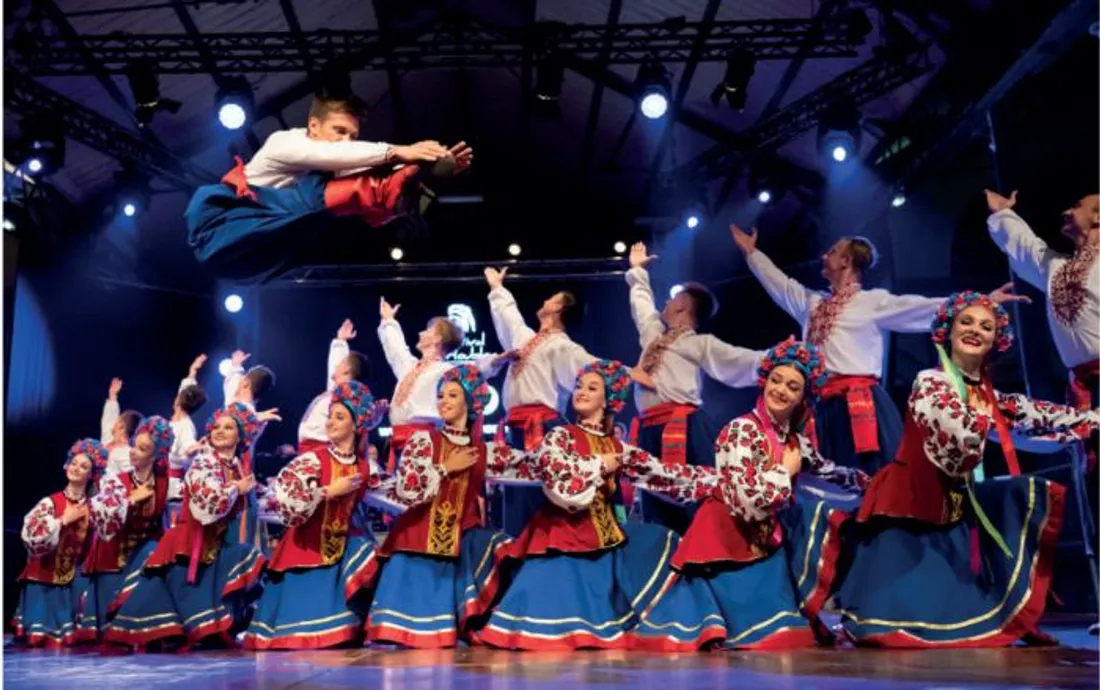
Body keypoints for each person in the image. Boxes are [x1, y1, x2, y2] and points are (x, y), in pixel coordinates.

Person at [834, 291, 1099, 647]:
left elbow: (1038, 416)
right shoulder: (931, 381)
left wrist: (1089, 420)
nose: (976, 330)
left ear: (995, 340)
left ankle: (1002, 600)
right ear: (949, 330)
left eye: (986, 326)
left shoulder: (990, 396)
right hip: (913, 509)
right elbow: (956, 438)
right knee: (895, 629)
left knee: (1025, 490)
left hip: (952, 509)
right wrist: (990, 416)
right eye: (967, 322)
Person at [629, 339, 868, 651]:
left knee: (821, 517)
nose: (782, 390)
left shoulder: (795, 442)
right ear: (764, 381)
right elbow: (748, 502)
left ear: (802, 398)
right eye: (777, 380)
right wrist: (784, 471)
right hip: (729, 538)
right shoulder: (741, 431)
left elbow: (828, 472)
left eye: (793, 387)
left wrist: (870, 485)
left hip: (762, 541)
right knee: (772, 635)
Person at [730, 224, 1026, 476]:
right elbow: (780, 285)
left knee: (873, 476)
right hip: (821, 408)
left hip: (861, 404)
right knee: (829, 479)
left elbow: (923, 308)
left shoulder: (872, 302)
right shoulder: (812, 304)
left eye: (832, 252)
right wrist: (751, 253)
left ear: (846, 261)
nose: (824, 256)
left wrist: (982, 301)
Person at [470, 360, 721, 651]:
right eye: (578, 386)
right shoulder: (561, 436)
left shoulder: (618, 447)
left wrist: (719, 480)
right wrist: (600, 464)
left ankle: (696, 626)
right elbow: (559, 478)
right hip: (561, 540)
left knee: (666, 542)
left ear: (609, 399)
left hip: (604, 543)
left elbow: (664, 474)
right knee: (544, 629)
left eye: (592, 388)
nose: (582, 392)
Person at [185, 94, 473, 280]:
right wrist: (401, 151)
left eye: (353, 135)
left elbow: (367, 172)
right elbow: (334, 155)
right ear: (313, 125)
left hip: (257, 254)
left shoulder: (334, 164)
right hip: (226, 229)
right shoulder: (283, 142)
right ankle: (405, 196)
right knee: (320, 194)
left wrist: (431, 170)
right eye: (339, 131)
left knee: (351, 195)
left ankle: (408, 200)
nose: (346, 141)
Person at [986, 190, 1100, 634]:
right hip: (1085, 393)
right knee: (1093, 493)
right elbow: (1024, 246)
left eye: (1079, 204)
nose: (1065, 208)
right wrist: (1004, 214)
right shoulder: (1058, 268)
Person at [359, 364, 529, 648]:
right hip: (418, 541)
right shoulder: (425, 440)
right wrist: (444, 468)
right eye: (441, 396)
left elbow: (531, 467)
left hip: (460, 542)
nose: (444, 401)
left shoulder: (483, 451)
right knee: (411, 634)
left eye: (452, 395)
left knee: (501, 546)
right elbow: (408, 489)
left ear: (469, 402)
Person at [103, 403, 278, 648]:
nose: (220, 431)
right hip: (187, 549)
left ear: (240, 435)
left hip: (211, 548)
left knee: (247, 562)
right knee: (174, 614)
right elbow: (207, 502)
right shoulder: (204, 462)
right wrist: (235, 489)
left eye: (228, 427)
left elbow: (252, 499)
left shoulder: (235, 467)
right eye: (216, 426)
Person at [625, 242, 763, 533]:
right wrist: (637, 271)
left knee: (692, 501)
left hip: (683, 428)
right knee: (653, 502)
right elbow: (641, 305)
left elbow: (739, 359)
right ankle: (662, 563)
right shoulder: (654, 334)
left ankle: (699, 560)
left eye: (673, 298)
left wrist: (778, 357)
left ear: (683, 306)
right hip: (650, 429)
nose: (666, 302)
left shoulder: (698, 343)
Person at [242, 381, 387, 649]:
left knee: (367, 550)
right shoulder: (312, 460)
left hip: (340, 549)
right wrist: (326, 491)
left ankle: (350, 622)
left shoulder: (366, 467)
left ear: (356, 427)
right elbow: (286, 502)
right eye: (330, 416)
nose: (331, 422)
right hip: (306, 548)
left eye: (339, 417)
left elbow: (395, 496)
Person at [483, 266, 597, 536]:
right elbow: (510, 319)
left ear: (558, 307)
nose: (545, 300)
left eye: (552, 298)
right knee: (516, 493)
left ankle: (545, 550)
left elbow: (594, 373)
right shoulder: (528, 340)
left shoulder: (562, 346)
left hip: (545, 428)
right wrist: (498, 289)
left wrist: (628, 373)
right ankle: (517, 548)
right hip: (517, 427)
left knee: (541, 496)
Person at [77, 416, 173, 639]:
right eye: (133, 445)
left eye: (142, 448)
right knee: (107, 628)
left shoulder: (164, 482)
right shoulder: (115, 481)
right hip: (114, 557)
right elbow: (103, 517)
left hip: (141, 557)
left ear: (157, 453)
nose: (133, 452)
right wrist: (130, 500)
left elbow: (163, 522)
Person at [13, 439, 105, 647]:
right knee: (39, 641)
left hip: (71, 582)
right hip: (43, 578)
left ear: (92, 475)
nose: (76, 468)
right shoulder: (51, 502)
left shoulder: (93, 508)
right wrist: (62, 520)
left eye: (84, 466)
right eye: (74, 463)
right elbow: (30, 536)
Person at [377, 297, 464, 472]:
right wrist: (388, 321)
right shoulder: (410, 367)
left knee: (418, 494)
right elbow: (396, 350)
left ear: (438, 338)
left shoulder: (445, 370)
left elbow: (476, 371)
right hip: (400, 441)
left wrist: (495, 361)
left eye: (427, 330)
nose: (420, 333)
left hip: (424, 445)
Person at [298, 318, 369, 454]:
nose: (336, 366)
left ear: (346, 370)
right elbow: (335, 365)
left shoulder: (347, 397)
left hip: (321, 449)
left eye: (340, 364)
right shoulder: (336, 391)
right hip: (308, 448)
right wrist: (340, 341)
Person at [169, 355, 208, 506]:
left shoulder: (185, 425)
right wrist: (192, 372)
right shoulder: (176, 420)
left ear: (178, 401)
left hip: (172, 485)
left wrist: (196, 448)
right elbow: (185, 391)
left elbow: (188, 448)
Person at [100, 377, 142, 476]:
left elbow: (132, 477)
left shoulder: (126, 454)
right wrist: (113, 396)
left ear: (122, 428)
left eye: (118, 421)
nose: (114, 422)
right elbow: (108, 419)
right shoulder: (109, 440)